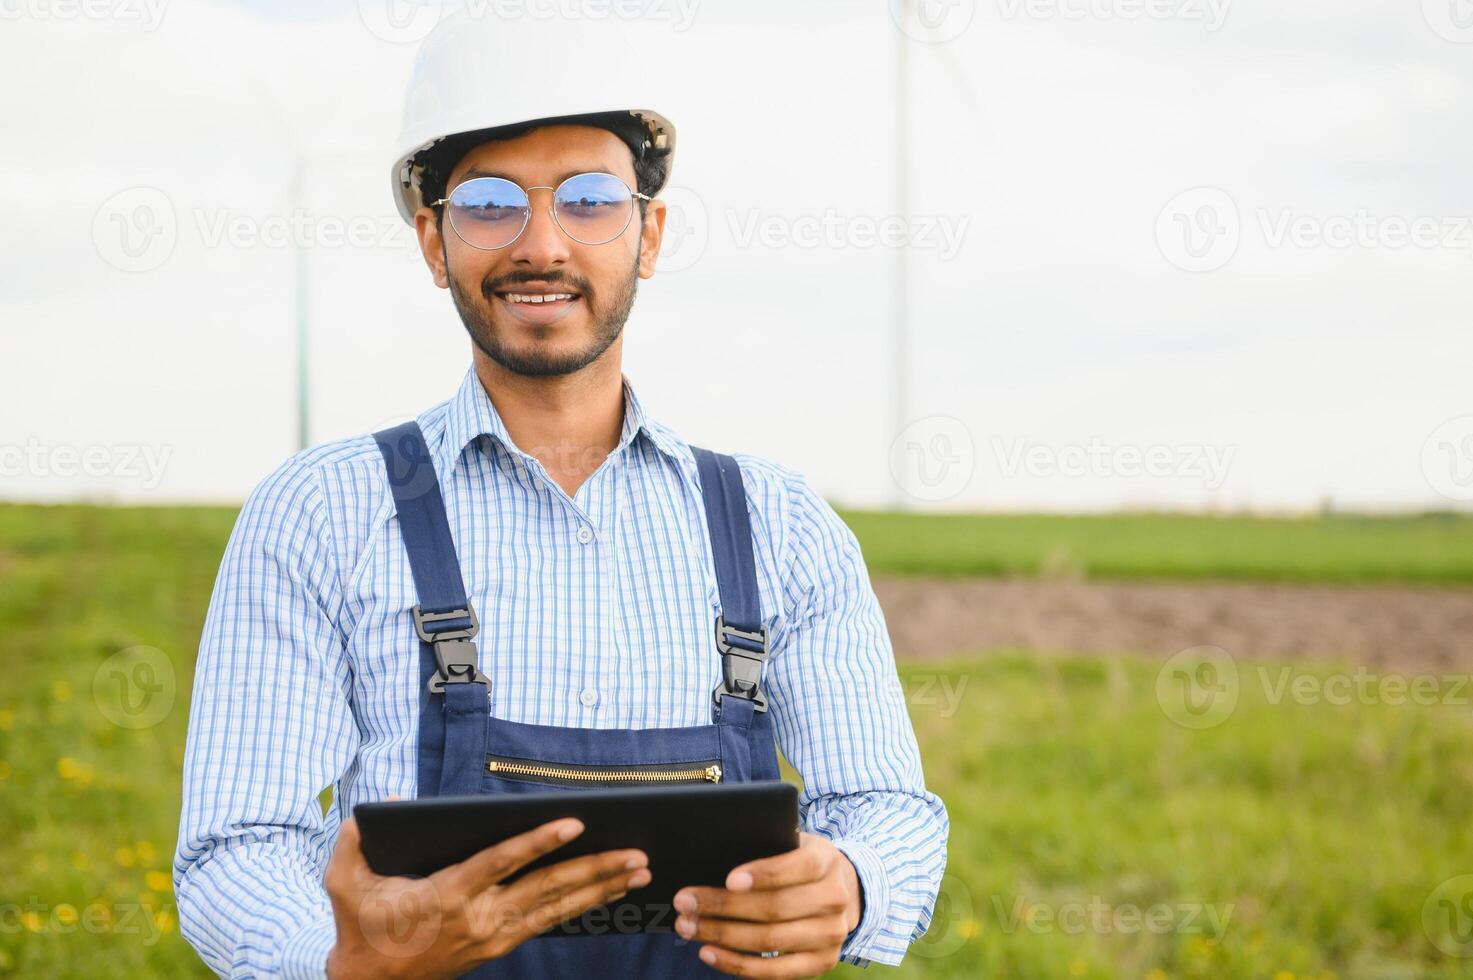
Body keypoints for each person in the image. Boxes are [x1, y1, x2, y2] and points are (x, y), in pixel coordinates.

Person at [174, 12, 947, 979]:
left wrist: (856, 884)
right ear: (432, 240)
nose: (542, 244)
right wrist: (335, 962)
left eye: (589, 200)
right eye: (491, 204)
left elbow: (888, 810)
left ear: (649, 233)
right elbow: (235, 848)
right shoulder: (320, 514)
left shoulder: (780, 527)